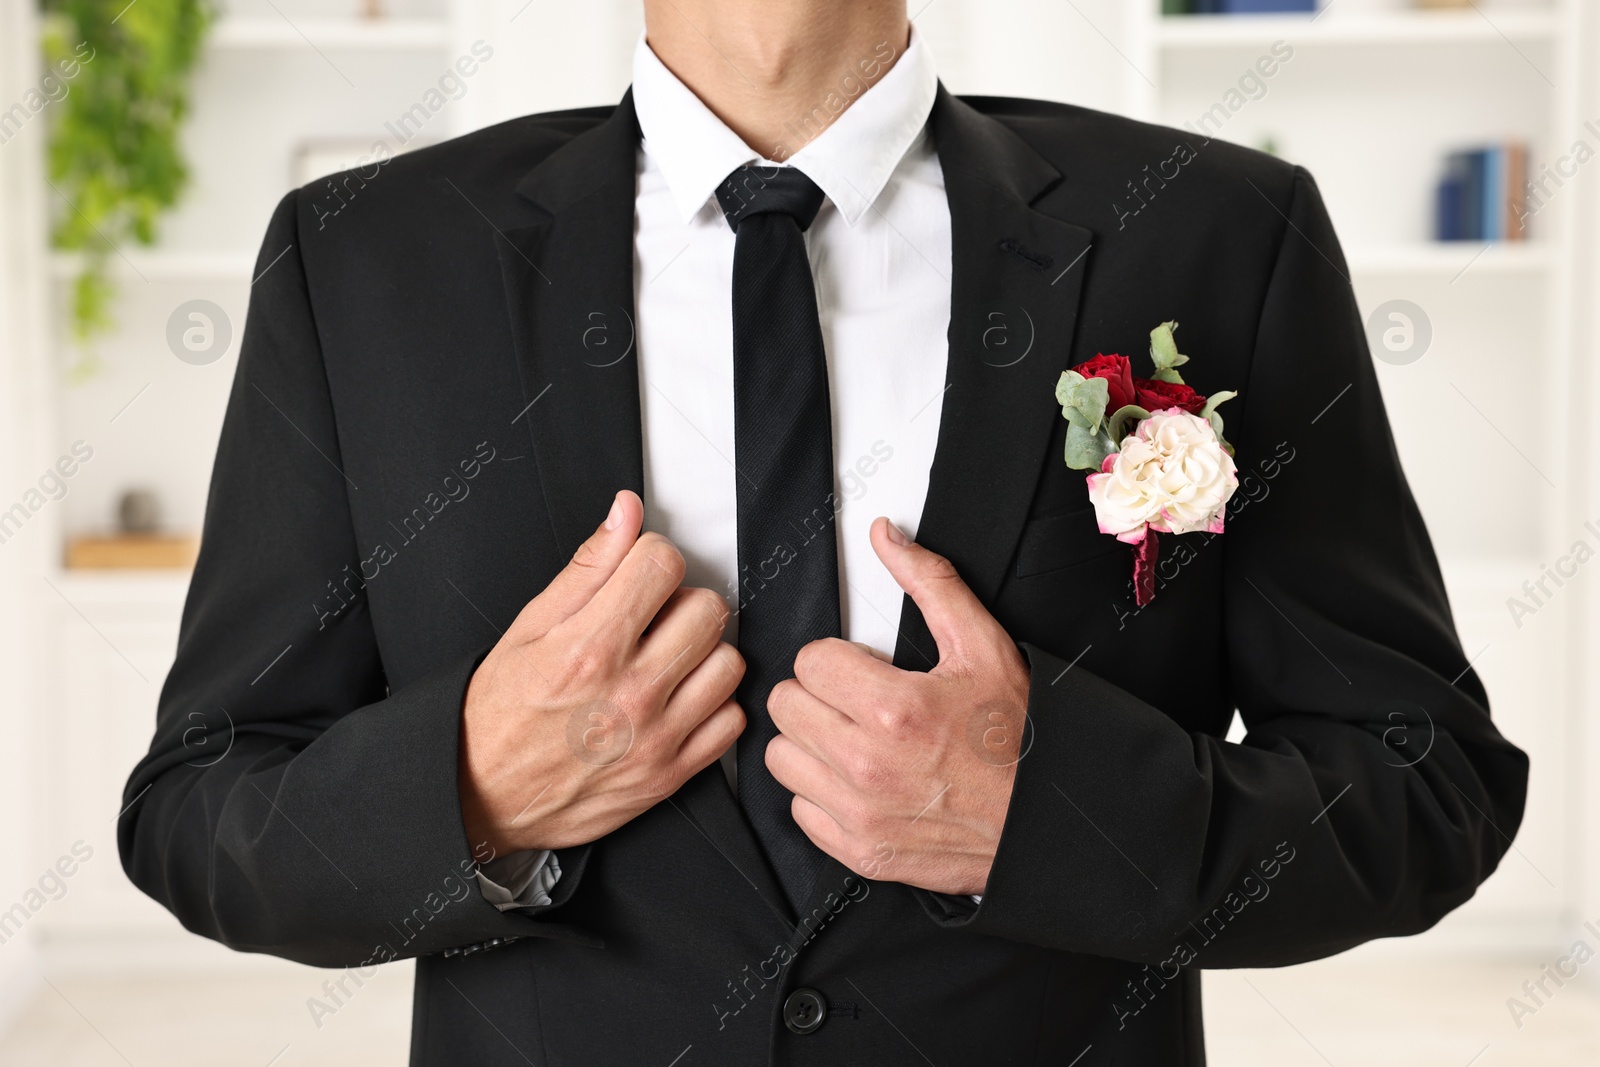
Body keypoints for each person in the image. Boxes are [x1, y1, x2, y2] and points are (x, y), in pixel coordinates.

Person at [120, 1, 1529, 1063]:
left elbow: (1428, 788)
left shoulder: (1220, 233)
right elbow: (195, 810)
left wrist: (1055, 815)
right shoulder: (362, 257)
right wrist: (471, 793)